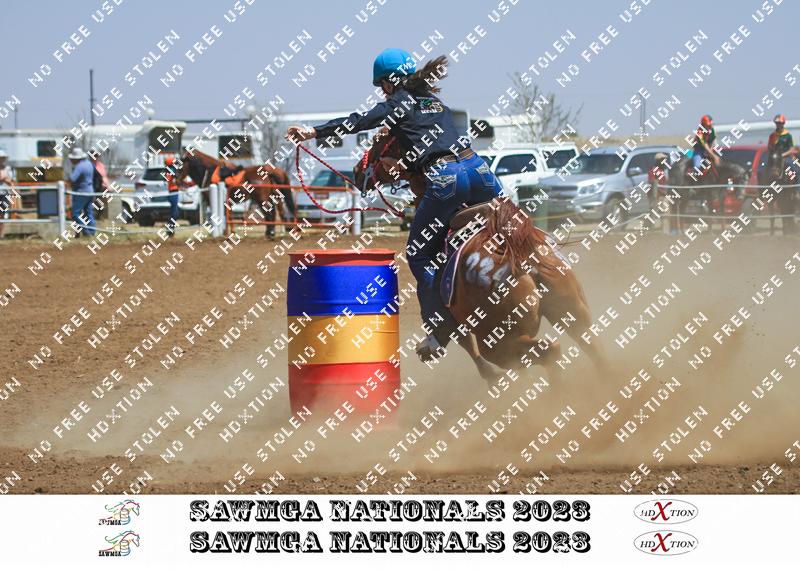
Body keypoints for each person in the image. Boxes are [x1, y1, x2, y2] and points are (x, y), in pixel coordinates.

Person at [285, 49, 503, 361]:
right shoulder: (434, 102)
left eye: (382, 85)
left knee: (418, 253)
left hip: (447, 177)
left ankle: (438, 331)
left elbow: (359, 121)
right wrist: (407, 161)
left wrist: (314, 132)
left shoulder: (398, 102)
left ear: (389, 82)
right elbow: (431, 140)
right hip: (478, 169)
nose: (382, 91)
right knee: (508, 218)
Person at [67, 147, 95, 236]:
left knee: (75, 213)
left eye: (72, 159)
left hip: (81, 192)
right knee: (89, 213)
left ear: (76, 159)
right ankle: (92, 231)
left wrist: (67, 183)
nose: (71, 160)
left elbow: (72, 178)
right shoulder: (89, 164)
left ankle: (85, 231)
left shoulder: (79, 166)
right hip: (90, 191)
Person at [164, 156, 181, 237]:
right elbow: (172, 180)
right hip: (173, 193)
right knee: (175, 213)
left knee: (175, 212)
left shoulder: (172, 170)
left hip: (175, 192)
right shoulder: (170, 171)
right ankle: (170, 228)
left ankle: (170, 228)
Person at [0, 149, 15, 239]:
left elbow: (11, 181)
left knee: (2, 214)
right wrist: (5, 179)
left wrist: (5, 179)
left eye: (2, 158)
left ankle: (1, 235)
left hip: (4, 194)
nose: (1, 160)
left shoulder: (8, 169)